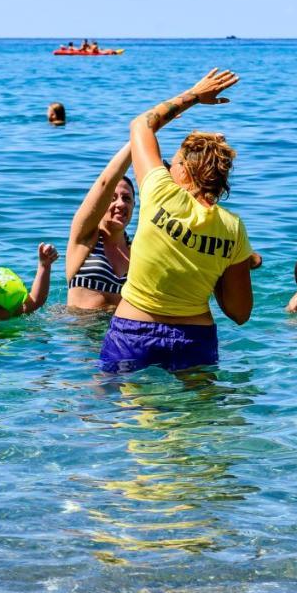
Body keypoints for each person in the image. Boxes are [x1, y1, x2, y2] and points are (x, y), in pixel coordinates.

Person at [99, 69, 253, 373]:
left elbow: (142, 124)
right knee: (199, 418)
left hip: (133, 330)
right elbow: (239, 312)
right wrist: (220, 265)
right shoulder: (233, 229)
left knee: (116, 414)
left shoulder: (160, 191)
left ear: (182, 169)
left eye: (174, 161)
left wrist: (195, 95)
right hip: (194, 339)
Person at [67, 144, 134, 310]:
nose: (120, 204)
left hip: (120, 333)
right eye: (112, 198)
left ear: (134, 205)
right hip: (79, 331)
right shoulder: (85, 238)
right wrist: (142, 135)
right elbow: (105, 183)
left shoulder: (137, 251)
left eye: (127, 199)